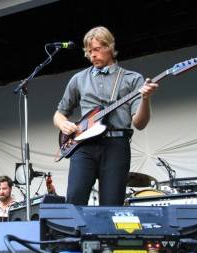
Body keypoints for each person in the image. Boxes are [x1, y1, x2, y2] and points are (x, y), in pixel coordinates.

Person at [53, 26, 158, 206]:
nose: (91, 55)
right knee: (74, 200)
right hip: (83, 145)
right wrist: (63, 124)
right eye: (88, 51)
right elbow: (59, 114)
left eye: (96, 49)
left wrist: (145, 99)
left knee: (111, 205)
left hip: (116, 145)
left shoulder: (132, 79)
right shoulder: (79, 79)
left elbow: (139, 124)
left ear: (110, 47)